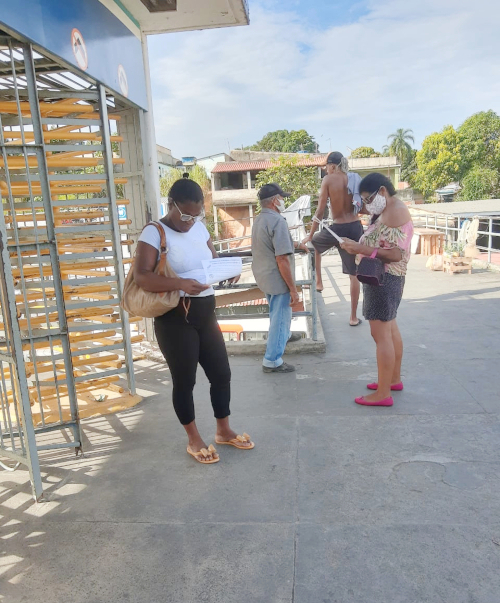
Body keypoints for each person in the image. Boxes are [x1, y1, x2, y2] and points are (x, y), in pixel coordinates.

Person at [133, 179, 254, 464]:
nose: (190, 222)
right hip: (175, 317)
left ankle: (223, 431)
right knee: (185, 381)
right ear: (171, 204)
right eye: (185, 215)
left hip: (205, 312)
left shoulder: (199, 227)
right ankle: (193, 438)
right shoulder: (154, 232)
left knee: (221, 373)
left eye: (196, 215)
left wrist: (225, 269)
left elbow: (210, 260)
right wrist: (180, 283)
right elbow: (142, 276)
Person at [339, 173, 414, 407]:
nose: (366, 204)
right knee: (390, 330)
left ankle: (383, 394)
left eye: (368, 198)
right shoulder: (391, 209)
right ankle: (392, 380)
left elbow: (394, 254)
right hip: (390, 278)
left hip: (383, 278)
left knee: (380, 336)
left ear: (382, 191)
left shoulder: (394, 211)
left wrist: (360, 248)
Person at [251, 183, 308, 374]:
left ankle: (285, 335)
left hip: (264, 275)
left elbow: (277, 243)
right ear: (275, 201)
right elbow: (282, 258)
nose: (284, 201)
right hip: (277, 278)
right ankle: (272, 360)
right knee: (280, 316)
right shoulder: (278, 221)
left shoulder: (260, 219)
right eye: (282, 198)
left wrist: (297, 243)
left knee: (277, 313)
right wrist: (293, 289)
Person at [302, 151, 363, 326]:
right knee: (354, 275)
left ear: (333, 166)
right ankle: (353, 317)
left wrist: (311, 234)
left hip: (336, 228)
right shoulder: (353, 178)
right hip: (354, 227)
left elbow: (320, 212)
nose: (325, 170)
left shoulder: (328, 180)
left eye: (327, 166)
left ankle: (319, 282)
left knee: (314, 244)